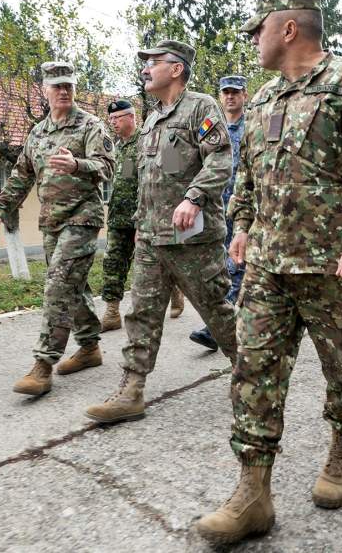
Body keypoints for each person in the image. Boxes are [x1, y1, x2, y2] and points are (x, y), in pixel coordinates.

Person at [194, 0, 342, 545]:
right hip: (268, 268)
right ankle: (253, 492)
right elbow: (245, 178)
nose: (252, 39)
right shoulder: (266, 96)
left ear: (288, 29)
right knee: (253, 373)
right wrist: (242, 224)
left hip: (335, 271)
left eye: (258, 28)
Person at [84, 40, 238, 424]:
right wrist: (140, 224)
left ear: (176, 68)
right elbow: (151, 179)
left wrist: (194, 197)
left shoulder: (201, 107)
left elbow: (220, 159)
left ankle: (250, 372)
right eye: (145, 62)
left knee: (218, 313)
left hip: (193, 239)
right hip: (152, 237)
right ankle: (132, 389)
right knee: (141, 313)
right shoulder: (152, 118)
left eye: (154, 61)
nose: (146, 68)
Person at [0, 62, 115, 396]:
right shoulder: (38, 133)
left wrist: (78, 164)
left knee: (58, 285)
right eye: (56, 86)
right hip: (51, 222)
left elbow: (108, 168)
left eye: (68, 85)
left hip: (82, 218)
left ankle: (43, 365)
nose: (63, 91)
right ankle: (89, 347)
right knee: (75, 286)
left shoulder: (91, 125)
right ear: (45, 90)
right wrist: (0, 207)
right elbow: (21, 176)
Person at [188, 74, 247, 351]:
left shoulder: (253, 126)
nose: (230, 97)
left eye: (235, 92)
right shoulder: (211, 127)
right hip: (215, 209)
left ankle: (222, 326)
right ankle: (232, 321)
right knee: (220, 267)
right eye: (226, 92)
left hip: (244, 209)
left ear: (244, 95)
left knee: (238, 265)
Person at [99, 99, 140, 332]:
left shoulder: (146, 141)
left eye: (118, 118)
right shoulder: (115, 147)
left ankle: (174, 291)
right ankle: (112, 312)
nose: (113, 122)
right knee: (112, 261)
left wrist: (142, 219)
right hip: (118, 218)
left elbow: (158, 180)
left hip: (142, 216)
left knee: (153, 265)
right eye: (111, 119)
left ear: (132, 117)